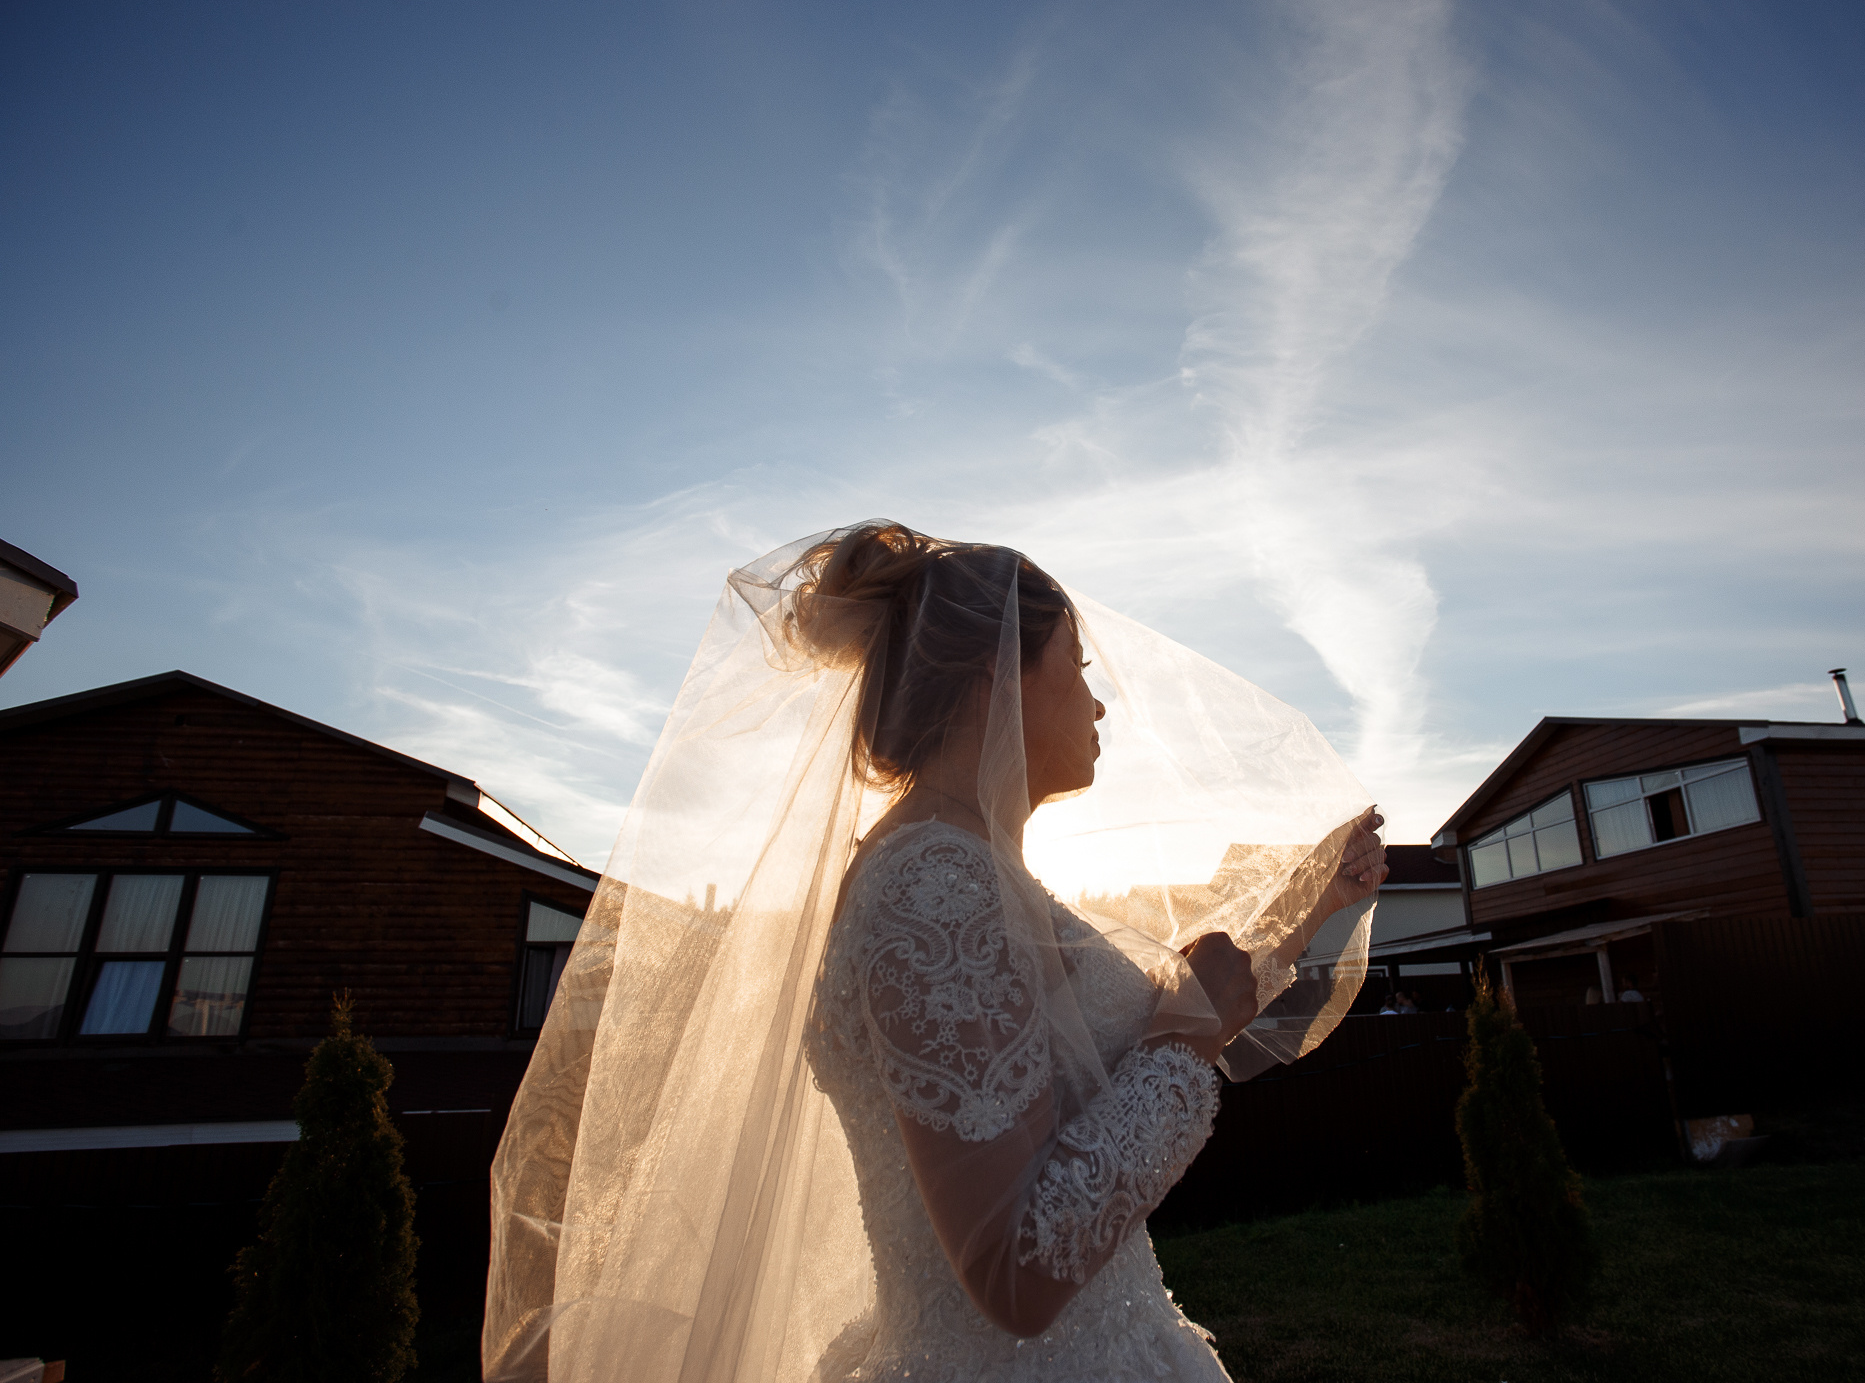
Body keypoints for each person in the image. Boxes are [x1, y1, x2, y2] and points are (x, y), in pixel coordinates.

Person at [484, 524, 1388, 1383]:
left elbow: (1142, 1028)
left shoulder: (970, 871)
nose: (1098, 698)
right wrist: (1184, 1042)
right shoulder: (935, 888)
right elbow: (1014, 1270)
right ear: (996, 679)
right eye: (1074, 665)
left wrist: (1308, 908)